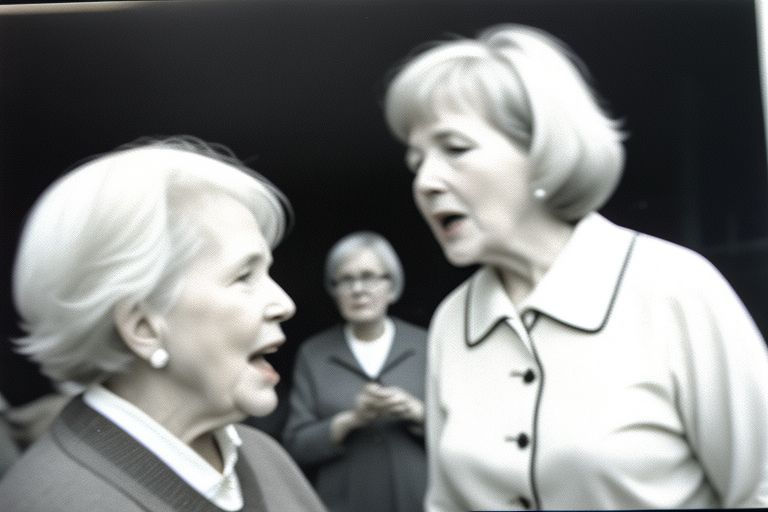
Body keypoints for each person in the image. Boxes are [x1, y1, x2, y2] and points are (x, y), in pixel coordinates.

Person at [382, 23, 768, 510]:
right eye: (416, 162)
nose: (425, 182)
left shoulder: (674, 289)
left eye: (454, 149)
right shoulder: (451, 322)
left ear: (543, 152)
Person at [0, 137, 327, 512]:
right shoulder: (48, 502)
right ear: (143, 328)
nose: (284, 304)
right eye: (244, 276)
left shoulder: (266, 457)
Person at [282, 231, 427, 512]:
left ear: (392, 285)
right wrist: (352, 420)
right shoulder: (314, 354)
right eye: (346, 280)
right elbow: (295, 447)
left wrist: (416, 412)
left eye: (369, 277)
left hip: (418, 500)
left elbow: (464, 433)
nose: (358, 289)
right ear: (333, 290)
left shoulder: (426, 344)